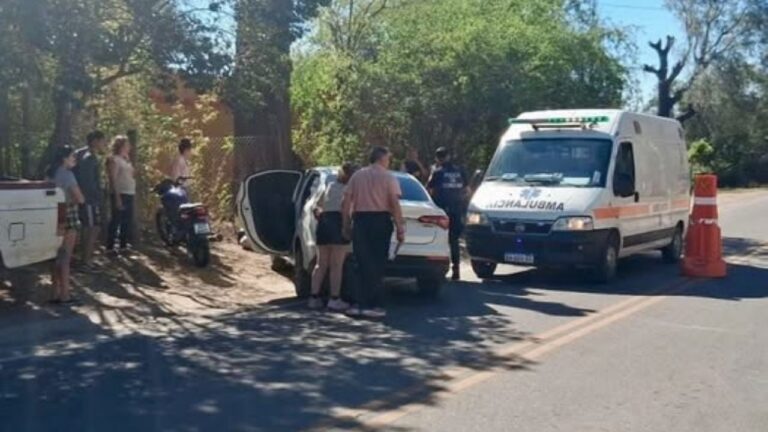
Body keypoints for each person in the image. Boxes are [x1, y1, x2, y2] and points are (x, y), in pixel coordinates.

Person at [342, 146, 404, 319]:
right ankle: (374, 304)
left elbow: (346, 200)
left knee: (360, 262)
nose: (389, 161)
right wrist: (400, 226)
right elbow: (394, 202)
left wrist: (345, 224)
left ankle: (357, 303)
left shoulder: (357, 176)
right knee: (377, 262)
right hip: (380, 221)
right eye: (388, 158)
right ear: (381, 158)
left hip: (360, 220)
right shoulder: (388, 177)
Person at [308, 163, 358, 312]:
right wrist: (346, 227)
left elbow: (317, 206)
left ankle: (314, 297)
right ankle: (334, 298)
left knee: (321, 263)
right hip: (338, 222)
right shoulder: (350, 190)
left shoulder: (328, 185)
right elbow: (347, 209)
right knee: (337, 265)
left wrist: (320, 216)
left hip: (324, 222)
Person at [47, 146, 85, 304]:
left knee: (54, 256)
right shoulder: (68, 175)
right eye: (72, 156)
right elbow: (80, 198)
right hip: (68, 215)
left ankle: (55, 292)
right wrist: (75, 200)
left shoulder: (50, 172)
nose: (75, 159)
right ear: (64, 159)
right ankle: (65, 295)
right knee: (66, 257)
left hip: (51, 216)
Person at [427, 147, 469, 281]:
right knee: (454, 241)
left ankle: (440, 270)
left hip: (442, 211)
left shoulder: (438, 172)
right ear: (449, 156)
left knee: (440, 239)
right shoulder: (460, 171)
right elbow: (467, 190)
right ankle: (456, 269)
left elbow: (429, 190)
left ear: (437, 158)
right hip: (457, 210)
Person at [73, 130, 107, 271]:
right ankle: (85, 262)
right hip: (89, 200)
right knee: (91, 228)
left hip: (88, 199)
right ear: (94, 141)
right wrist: (97, 196)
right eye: (102, 140)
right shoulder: (89, 157)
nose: (103, 143)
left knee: (91, 227)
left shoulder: (82, 153)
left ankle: (87, 259)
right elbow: (88, 182)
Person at [106, 136, 137, 255]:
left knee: (126, 220)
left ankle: (123, 245)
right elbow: (112, 179)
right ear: (121, 146)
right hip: (120, 193)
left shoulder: (126, 159)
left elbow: (132, 174)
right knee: (116, 219)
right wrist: (117, 197)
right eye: (127, 144)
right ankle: (110, 246)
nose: (130, 147)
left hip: (129, 192)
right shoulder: (114, 159)